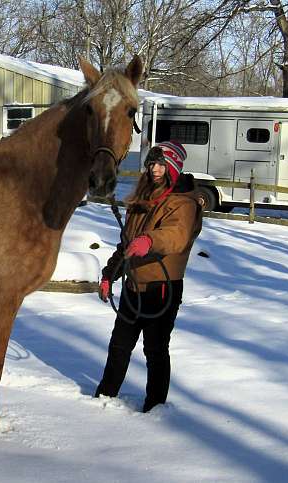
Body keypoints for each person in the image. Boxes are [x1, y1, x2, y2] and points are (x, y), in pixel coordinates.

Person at [95, 140, 202, 413]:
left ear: (173, 166)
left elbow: (176, 236)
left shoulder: (183, 203)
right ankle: (104, 397)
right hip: (133, 286)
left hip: (162, 289)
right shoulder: (143, 199)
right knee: (119, 346)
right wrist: (110, 275)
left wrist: (149, 240)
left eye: (161, 164)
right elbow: (126, 245)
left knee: (155, 350)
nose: (155, 169)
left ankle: (155, 407)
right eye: (152, 163)